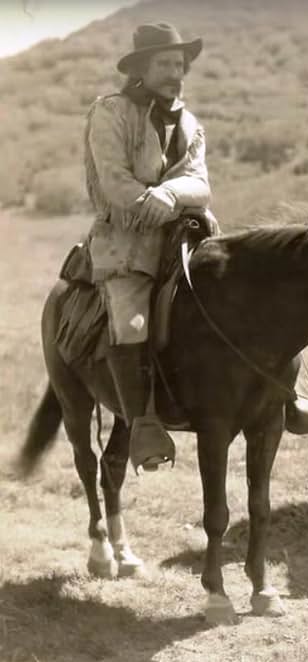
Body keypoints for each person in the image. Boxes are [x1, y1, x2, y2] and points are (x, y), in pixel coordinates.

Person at [84, 22, 212, 471]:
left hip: (184, 239)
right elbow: (112, 178)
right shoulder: (111, 112)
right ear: (141, 67)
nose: (174, 72)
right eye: (164, 63)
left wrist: (172, 195)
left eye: (179, 65)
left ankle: (274, 398)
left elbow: (200, 181)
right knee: (131, 321)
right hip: (126, 244)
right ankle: (143, 425)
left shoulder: (191, 122)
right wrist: (148, 201)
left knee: (239, 295)